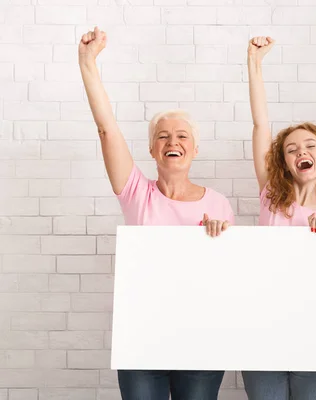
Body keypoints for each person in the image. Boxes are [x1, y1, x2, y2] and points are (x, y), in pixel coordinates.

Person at [78, 26, 233, 400]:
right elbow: (106, 130)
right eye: (163, 136)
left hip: (200, 341)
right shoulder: (137, 193)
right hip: (143, 338)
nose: (172, 141)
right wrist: (87, 63)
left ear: (194, 150)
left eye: (182, 136)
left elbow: (228, 276)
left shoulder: (218, 204)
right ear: (152, 149)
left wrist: (220, 240)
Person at [241, 36, 316, 400]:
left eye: (309, 146)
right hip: (264, 333)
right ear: (284, 162)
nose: (301, 152)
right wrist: (255, 65)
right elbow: (260, 127)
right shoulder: (271, 197)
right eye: (291, 149)